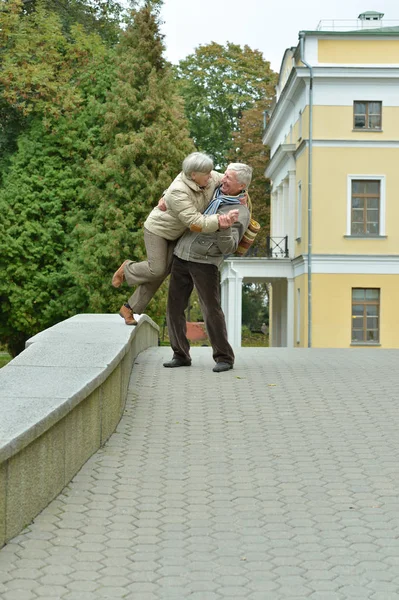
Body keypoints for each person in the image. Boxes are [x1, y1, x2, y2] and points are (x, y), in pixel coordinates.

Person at [111, 152, 239, 325]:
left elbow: (226, 180)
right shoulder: (179, 191)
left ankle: (129, 308)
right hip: (158, 230)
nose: (211, 177)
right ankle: (127, 269)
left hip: (177, 233)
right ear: (193, 175)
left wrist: (242, 195)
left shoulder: (207, 177)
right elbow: (195, 222)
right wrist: (220, 221)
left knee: (162, 272)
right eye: (207, 174)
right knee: (156, 270)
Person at [163, 163, 252, 373]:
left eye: (229, 178)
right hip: (182, 255)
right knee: (174, 307)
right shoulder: (212, 190)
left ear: (241, 185)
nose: (223, 179)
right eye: (225, 175)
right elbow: (183, 191)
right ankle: (180, 354)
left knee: (211, 311)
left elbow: (228, 247)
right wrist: (165, 196)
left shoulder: (240, 211)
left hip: (205, 262)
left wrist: (224, 227)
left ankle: (224, 358)